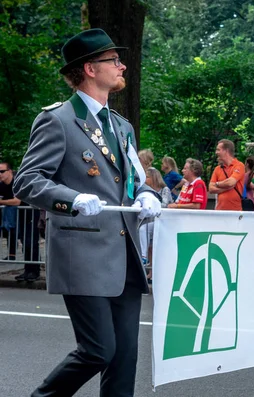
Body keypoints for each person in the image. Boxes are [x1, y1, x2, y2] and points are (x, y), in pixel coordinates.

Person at [13, 28, 162, 397]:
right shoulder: (58, 120)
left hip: (125, 255)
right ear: (90, 69)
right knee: (99, 350)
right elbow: (28, 180)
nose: (122, 65)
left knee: (125, 358)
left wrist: (146, 194)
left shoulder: (122, 126)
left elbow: (131, 181)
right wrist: (71, 199)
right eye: (114, 60)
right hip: (84, 254)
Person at [139, 167, 173, 281]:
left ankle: (143, 257)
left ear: (154, 178)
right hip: (150, 221)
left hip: (162, 221)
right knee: (149, 246)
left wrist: (152, 203)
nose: (145, 180)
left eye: (147, 177)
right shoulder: (145, 190)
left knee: (143, 230)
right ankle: (151, 271)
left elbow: (164, 205)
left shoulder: (164, 189)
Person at [208, 139, 245, 210]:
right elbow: (211, 189)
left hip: (235, 211)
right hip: (219, 211)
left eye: (218, 150)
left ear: (226, 151)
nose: (216, 152)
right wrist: (226, 188)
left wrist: (217, 184)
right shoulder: (217, 169)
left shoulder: (239, 165)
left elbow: (231, 182)